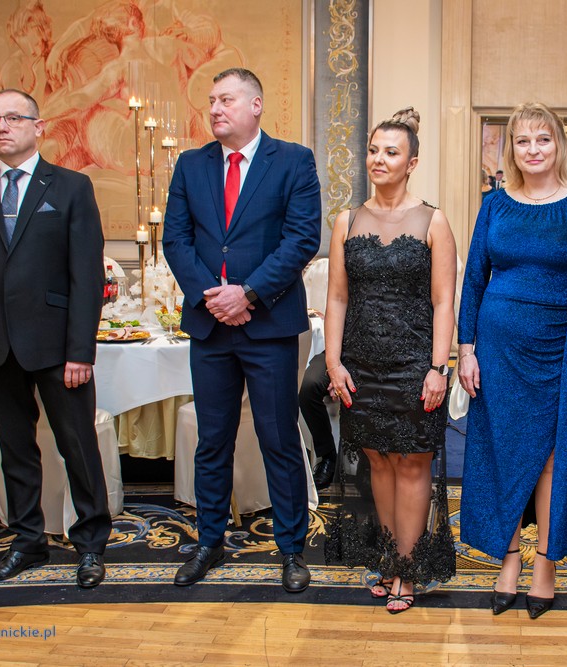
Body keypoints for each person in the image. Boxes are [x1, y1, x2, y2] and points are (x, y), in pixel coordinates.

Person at [0, 88, 110, 588]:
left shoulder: (72, 187)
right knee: (14, 452)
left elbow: (86, 277)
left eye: (13, 118)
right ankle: (28, 541)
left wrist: (81, 350)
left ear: (39, 127)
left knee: (78, 447)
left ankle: (91, 545)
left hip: (58, 348)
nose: (2, 127)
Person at [162, 67, 321, 592]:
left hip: (269, 327)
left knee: (279, 438)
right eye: (211, 100)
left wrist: (247, 293)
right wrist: (214, 296)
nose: (214, 108)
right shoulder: (191, 165)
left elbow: (301, 239)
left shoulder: (293, 161)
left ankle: (292, 549)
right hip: (210, 327)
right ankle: (209, 542)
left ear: (255, 105)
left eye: (226, 99)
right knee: (212, 441)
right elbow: (175, 240)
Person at [457, 102, 567, 619]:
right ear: (511, 149)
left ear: (559, 145)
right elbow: (473, 279)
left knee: (551, 456)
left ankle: (545, 562)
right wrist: (465, 349)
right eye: (522, 141)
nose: (533, 149)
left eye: (543, 139)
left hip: (562, 343)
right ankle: (508, 559)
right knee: (500, 450)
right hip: (497, 346)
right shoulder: (495, 205)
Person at [323, 107, 457, 614]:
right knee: (378, 459)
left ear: (411, 163)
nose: (378, 159)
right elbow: (337, 298)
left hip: (414, 363)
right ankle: (388, 558)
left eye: (391, 152)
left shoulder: (433, 221)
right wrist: (334, 362)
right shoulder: (347, 221)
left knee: (412, 462)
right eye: (373, 150)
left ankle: (408, 567)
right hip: (360, 363)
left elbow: (444, 301)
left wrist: (438, 368)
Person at [299, 351, 337, 489]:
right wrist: (335, 368)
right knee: (308, 386)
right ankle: (328, 455)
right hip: (340, 351)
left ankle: (370, 461)